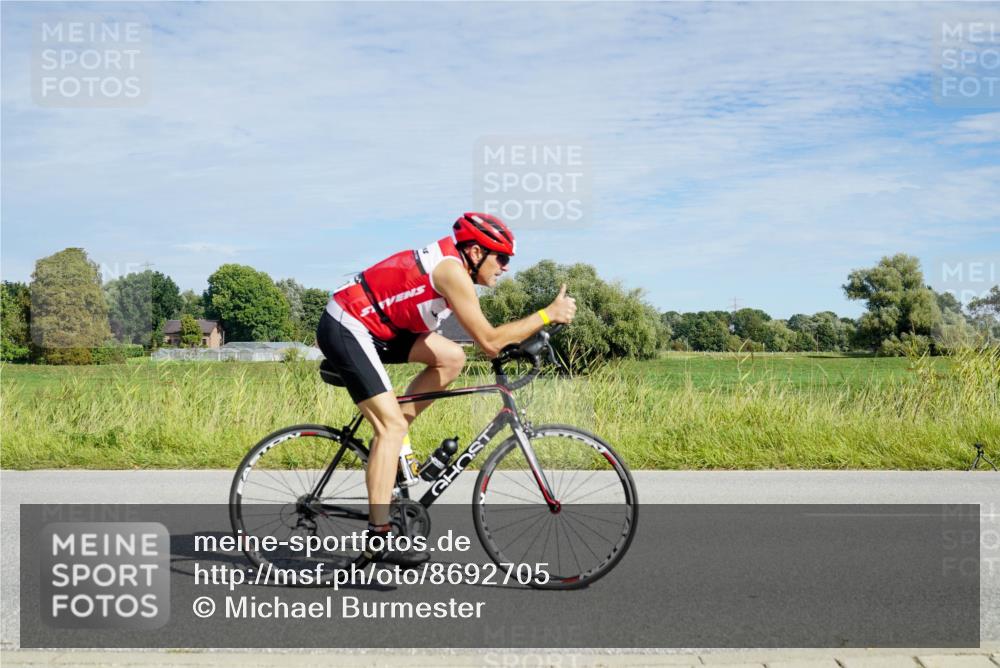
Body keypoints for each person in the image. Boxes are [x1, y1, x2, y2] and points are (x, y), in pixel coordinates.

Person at [316, 212, 576, 566]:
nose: (505, 267)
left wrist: (527, 339)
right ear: (474, 253)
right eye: (501, 258)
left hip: (382, 327)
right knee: (388, 426)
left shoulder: (458, 268)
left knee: (452, 357)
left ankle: (393, 437)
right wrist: (546, 315)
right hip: (347, 324)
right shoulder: (453, 273)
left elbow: (485, 342)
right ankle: (379, 535)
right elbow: (488, 341)